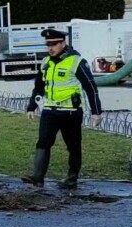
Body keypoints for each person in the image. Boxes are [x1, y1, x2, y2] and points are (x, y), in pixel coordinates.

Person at [23, 28, 102, 188]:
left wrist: (96, 112)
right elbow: (38, 86)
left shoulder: (76, 61)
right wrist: (31, 106)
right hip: (50, 110)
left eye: (54, 44)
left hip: (71, 112)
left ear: (63, 43)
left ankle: (71, 179)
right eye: (48, 45)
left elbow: (90, 87)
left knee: (73, 146)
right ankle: (38, 178)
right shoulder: (46, 62)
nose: (50, 48)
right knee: (43, 142)